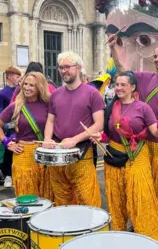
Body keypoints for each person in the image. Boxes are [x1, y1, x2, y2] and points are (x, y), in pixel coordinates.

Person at [108, 37, 158, 244]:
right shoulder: (144, 78)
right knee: (140, 189)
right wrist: (114, 48)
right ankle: (140, 220)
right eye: (156, 55)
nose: (157, 58)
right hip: (141, 145)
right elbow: (122, 69)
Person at [91, 71, 158, 242]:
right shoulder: (111, 107)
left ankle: (148, 239)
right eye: (117, 84)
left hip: (137, 157)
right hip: (114, 157)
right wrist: (100, 138)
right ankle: (121, 239)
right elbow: (108, 134)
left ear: (133, 87)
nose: (118, 88)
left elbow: (155, 133)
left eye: (123, 85)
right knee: (117, 202)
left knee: (142, 200)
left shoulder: (143, 107)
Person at [43, 51, 103, 207]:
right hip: (58, 151)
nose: (63, 71)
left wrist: (75, 139)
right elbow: (50, 121)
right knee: (61, 197)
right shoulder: (55, 94)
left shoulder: (92, 94)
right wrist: (47, 138)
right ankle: (68, 229)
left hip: (82, 152)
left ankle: (90, 230)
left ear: (78, 68)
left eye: (67, 67)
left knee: (87, 197)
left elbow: (99, 124)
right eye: (61, 67)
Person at [0, 72, 51, 197]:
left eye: (32, 85)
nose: (27, 88)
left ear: (40, 87)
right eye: (25, 84)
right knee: (26, 195)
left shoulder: (48, 104)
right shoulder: (16, 105)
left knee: (46, 194)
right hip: (23, 155)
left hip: (44, 154)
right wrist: (7, 142)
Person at [0, 66, 22, 187]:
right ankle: (8, 176)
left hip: (22, 127)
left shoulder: (21, 91)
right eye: (17, 77)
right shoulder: (2, 94)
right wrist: (9, 126)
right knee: (8, 153)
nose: (19, 79)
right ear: (10, 77)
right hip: (10, 129)